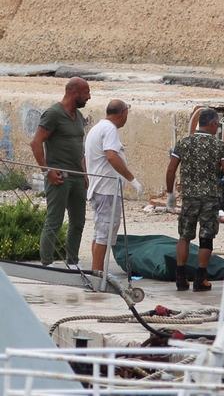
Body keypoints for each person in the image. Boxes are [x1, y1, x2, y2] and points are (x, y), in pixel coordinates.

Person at [165, 108, 224, 292]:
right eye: (217, 125)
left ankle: (180, 278)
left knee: (185, 236)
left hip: (189, 197)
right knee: (206, 238)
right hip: (211, 198)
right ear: (212, 124)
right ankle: (200, 279)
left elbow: (171, 169)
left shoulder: (184, 142)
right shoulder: (219, 146)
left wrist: (170, 194)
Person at [30, 77, 91, 269]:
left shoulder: (79, 116)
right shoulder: (54, 113)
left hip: (77, 178)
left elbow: (79, 147)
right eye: (86, 92)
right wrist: (46, 170)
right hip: (59, 178)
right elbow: (36, 142)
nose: (89, 97)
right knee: (54, 221)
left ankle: (72, 264)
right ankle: (46, 264)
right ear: (75, 93)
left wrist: (85, 173)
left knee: (78, 222)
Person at [85, 100, 143, 272]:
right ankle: (98, 275)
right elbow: (111, 156)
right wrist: (132, 179)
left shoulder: (97, 128)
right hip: (107, 190)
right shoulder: (109, 129)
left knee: (99, 232)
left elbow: (85, 159)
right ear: (123, 113)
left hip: (99, 188)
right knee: (104, 233)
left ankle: (97, 272)